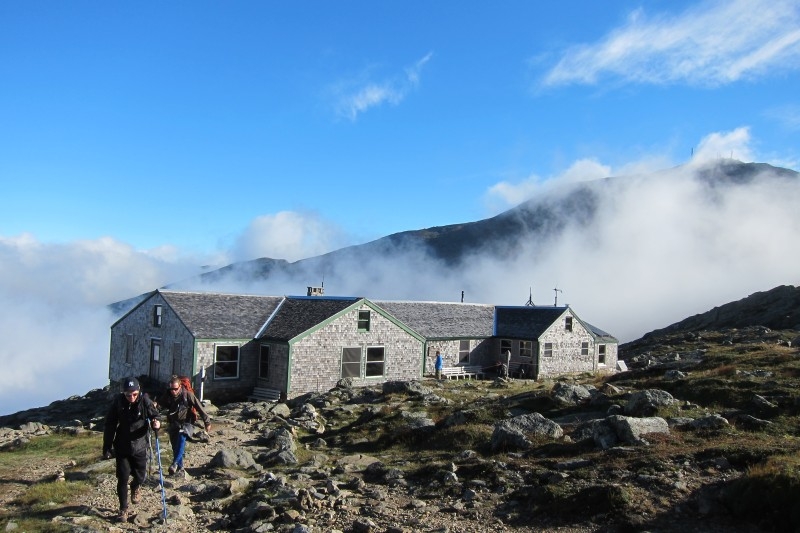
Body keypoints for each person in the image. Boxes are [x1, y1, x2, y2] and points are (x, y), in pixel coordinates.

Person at [102, 377, 160, 523]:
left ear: (138, 391)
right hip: (122, 446)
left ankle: (136, 486)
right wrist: (107, 446)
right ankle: (123, 509)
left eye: (134, 394)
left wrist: (156, 423)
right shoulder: (118, 402)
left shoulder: (145, 401)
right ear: (123, 393)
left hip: (140, 446)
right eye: (128, 395)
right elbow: (110, 424)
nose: (131, 398)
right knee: (122, 478)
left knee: (141, 476)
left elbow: (155, 415)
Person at [156, 375, 211, 475]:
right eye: (171, 388)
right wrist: (155, 406)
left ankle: (174, 464)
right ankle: (180, 468)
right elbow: (160, 405)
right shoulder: (168, 395)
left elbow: (199, 408)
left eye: (175, 389)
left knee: (182, 437)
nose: (173, 391)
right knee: (175, 447)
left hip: (187, 423)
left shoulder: (188, 395)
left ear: (180, 386)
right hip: (174, 423)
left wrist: (207, 422)